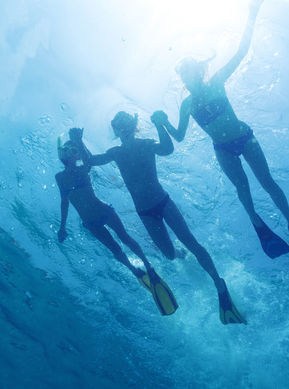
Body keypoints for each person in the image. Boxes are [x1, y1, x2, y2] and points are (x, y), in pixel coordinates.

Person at [160, 0, 289, 287]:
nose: (186, 78)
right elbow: (180, 137)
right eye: (182, 76)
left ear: (198, 70)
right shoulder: (186, 105)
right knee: (242, 189)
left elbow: (242, 50)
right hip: (222, 148)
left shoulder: (217, 80)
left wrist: (251, 14)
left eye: (188, 72)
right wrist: (163, 125)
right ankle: (256, 222)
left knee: (267, 182)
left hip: (245, 138)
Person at [88, 111, 247, 325]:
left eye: (127, 123)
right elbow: (90, 161)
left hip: (163, 203)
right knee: (169, 255)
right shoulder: (115, 152)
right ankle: (180, 255)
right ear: (116, 130)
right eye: (119, 125)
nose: (123, 128)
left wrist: (160, 125)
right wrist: (79, 142)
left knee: (190, 241)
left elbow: (167, 149)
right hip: (145, 213)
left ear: (134, 124)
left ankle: (219, 285)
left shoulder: (146, 143)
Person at [56, 127, 178, 315]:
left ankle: (148, 266)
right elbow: (64, 202)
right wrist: (62, 227)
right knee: (114, 249)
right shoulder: (59, 178)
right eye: (67, 150)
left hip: (104, 211)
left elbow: (90, 163)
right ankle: (133, 270)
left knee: (125, 238)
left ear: (78, 155)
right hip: (89, 222)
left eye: (74, 151)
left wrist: (79, 140)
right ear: (61, 154)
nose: (70, 154)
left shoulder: (83, 169)